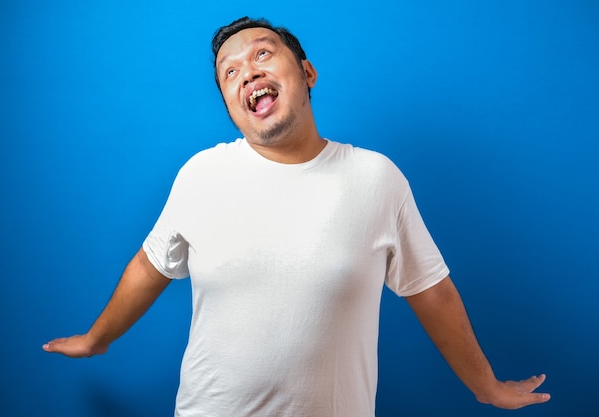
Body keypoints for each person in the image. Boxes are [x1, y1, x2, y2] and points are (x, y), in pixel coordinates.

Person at [43, 16, 551, 416]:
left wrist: (486, 387)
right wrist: (96, 339)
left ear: (306, 73)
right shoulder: (201, 175)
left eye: (263, 53)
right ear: (230, 104)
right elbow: (148, 267)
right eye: (231, 72)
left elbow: (432, 289)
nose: (249, 72)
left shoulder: (376, 179)